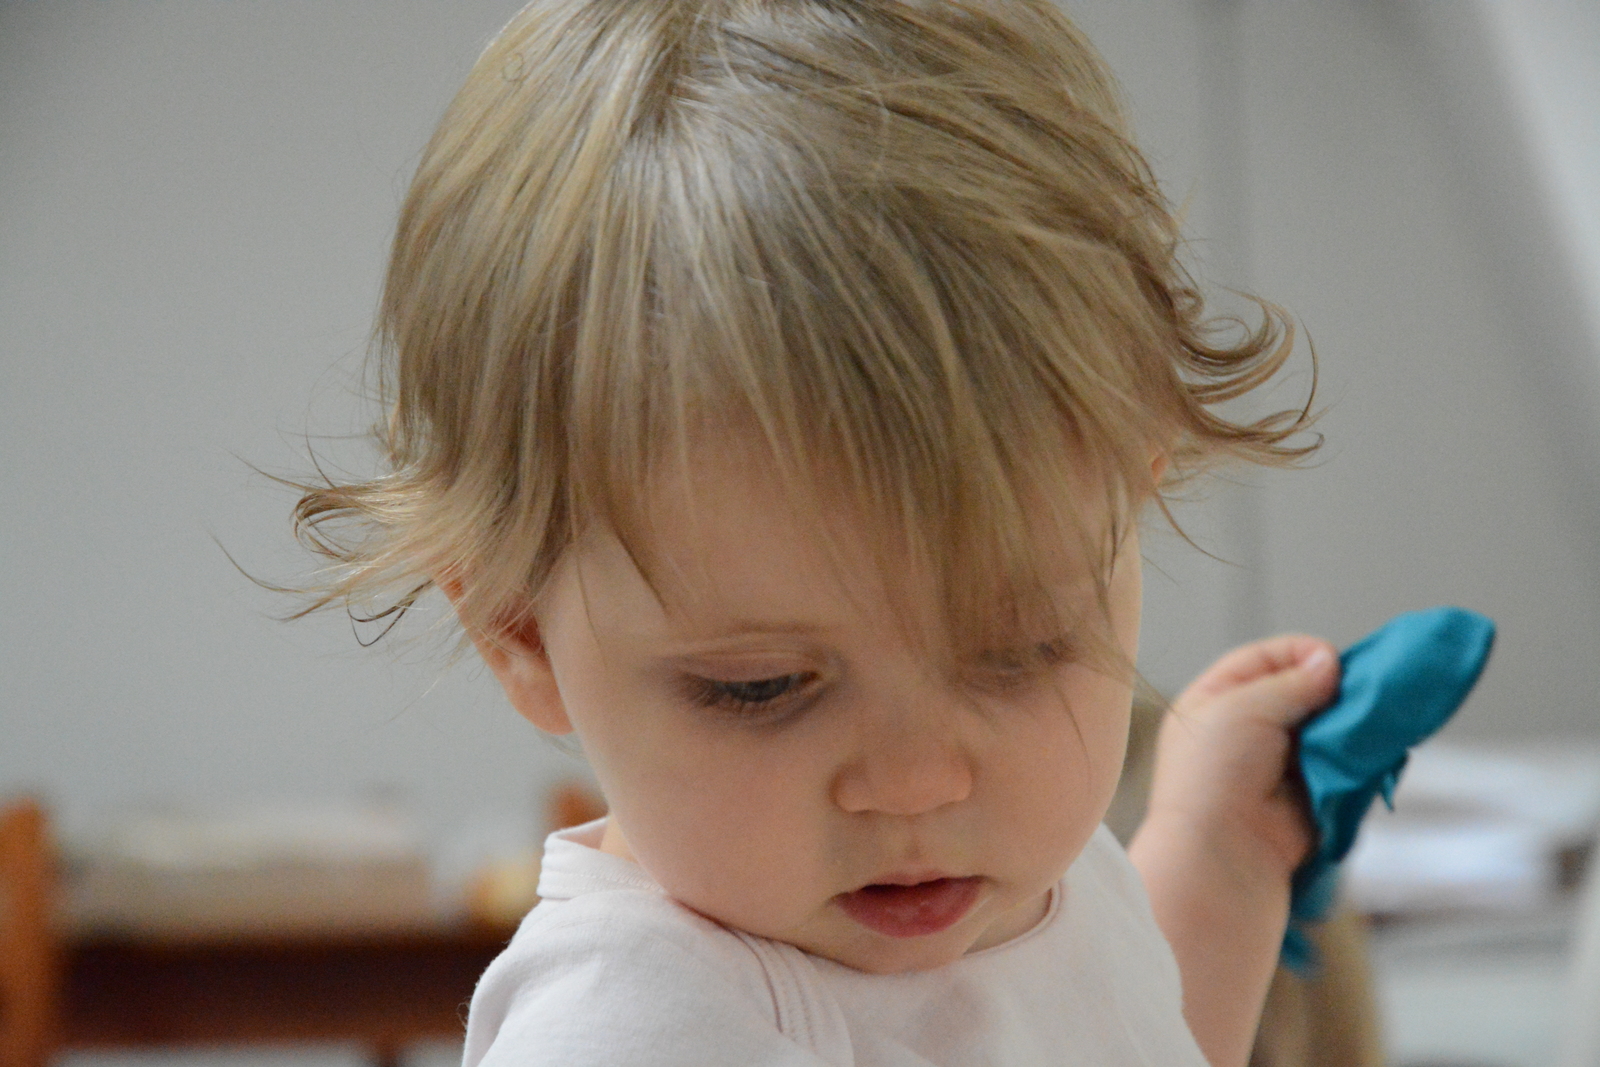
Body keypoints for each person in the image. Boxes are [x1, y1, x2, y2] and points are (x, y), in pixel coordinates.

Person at [290, 1, 1338, 1063]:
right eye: (763, 687)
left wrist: (1221, 857)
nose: (917, 780)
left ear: (1132, 499)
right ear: (517, 628)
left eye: (1021, 650)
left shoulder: (1026, 882)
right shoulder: (633, 1028)